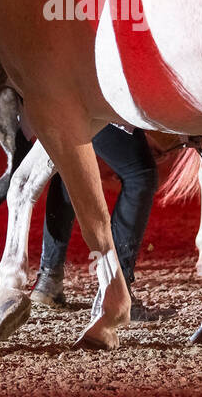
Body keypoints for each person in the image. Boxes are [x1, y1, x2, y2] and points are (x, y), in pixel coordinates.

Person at [29, 125, 158, 322]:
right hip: (93, 103)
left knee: (71, 164)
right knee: (140, 176)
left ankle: (49, 278)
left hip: (62, 102)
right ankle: (116, 289)